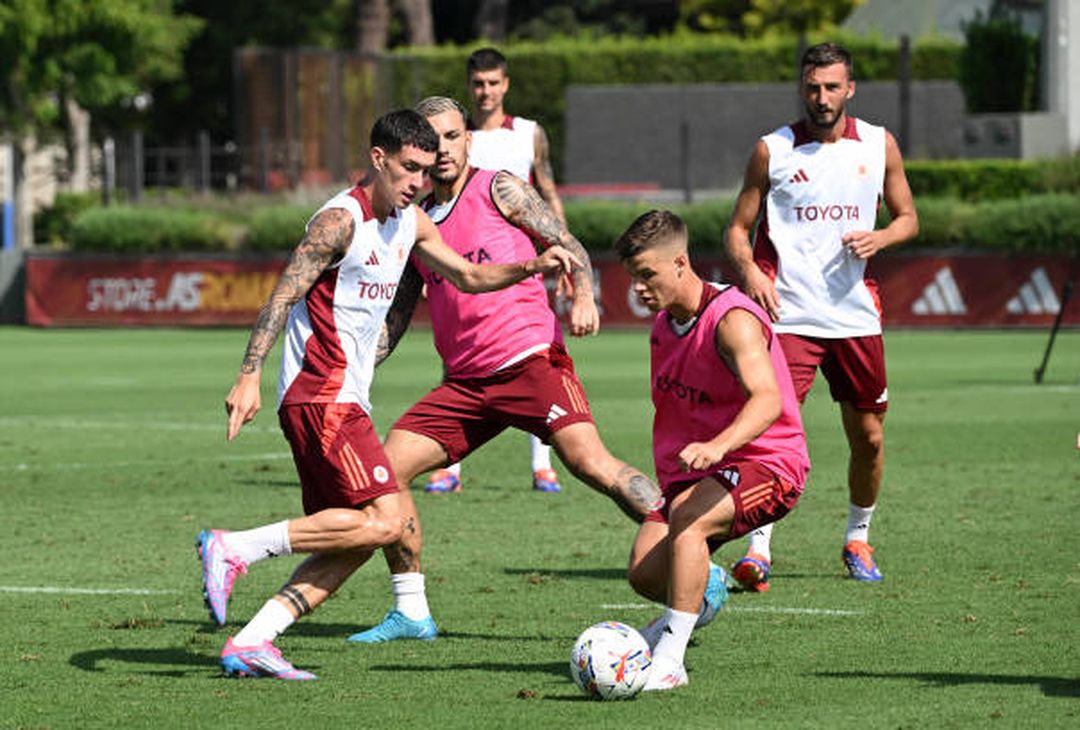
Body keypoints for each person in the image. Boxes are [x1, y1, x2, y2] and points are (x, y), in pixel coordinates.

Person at [196, 109, 578, 680]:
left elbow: (469, 277)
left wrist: (532, 264)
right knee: (384, 522)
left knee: (357, 536)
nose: (417, 183)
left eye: (425, 172)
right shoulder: (338, 221)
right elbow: (281, 297)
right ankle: (235, 547)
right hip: (320, 397)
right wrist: (248, 375)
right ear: (379, 159)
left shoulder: (414, 223)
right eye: (407, 169)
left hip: (347, 400)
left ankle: (253, 640)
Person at [347, 96, 667, 644]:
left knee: (590, 463)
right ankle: (411, 610)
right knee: (385, 470)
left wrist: (584, 294)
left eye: (452, 137)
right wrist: (356, 363)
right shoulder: (413, 221)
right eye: (432, 140)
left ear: (468, 140)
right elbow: (400, 308)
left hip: (529, 360)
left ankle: (685, 548)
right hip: (465, 384)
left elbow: (567, 243)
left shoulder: (499, 187)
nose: (442, 149)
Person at [723, 42, 918, 589]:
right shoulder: (773, 149)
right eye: (813, 87)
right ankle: (758, 547)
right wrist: (753, 274)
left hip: (855, 317)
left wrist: (880, 236)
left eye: (832, 87)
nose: (822, 97)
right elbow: (737, 229)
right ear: (801, 88)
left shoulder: (880, 145)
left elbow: (908, 219)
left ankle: (857, 538)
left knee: (870, 438)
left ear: (849, 89)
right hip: (788, 318)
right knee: (771, 432)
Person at [616, 210, 810, 691]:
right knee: (644, 574)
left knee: (689, 520)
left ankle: (670, 659)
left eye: (647, 274)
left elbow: (768, 400)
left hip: (769, 463)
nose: (638, 288)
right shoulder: (663, 325)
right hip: (700, 475)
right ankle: (702, 594)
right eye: (633, 277)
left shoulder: (734, 319)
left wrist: (717, 445)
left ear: (680, 262)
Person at [426, 46, 570, 495]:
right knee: (457, 354)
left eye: (493, 83)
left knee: (530, 355)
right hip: (456, 259)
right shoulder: (452, 135)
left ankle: (542, 463)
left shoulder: (528, 133)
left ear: (505, 84)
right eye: (477, 84)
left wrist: (563, 248)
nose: (485, 91)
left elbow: (545, 191)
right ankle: (451, 467)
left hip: (517, 263)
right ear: (469, 86)